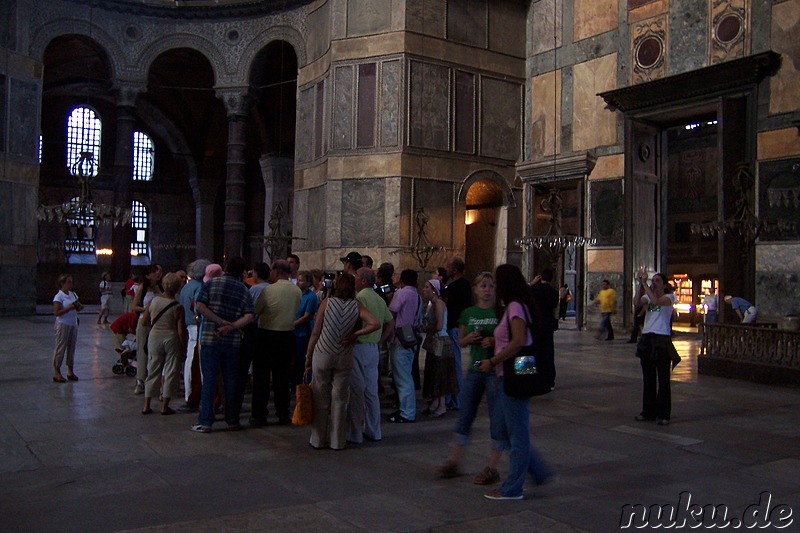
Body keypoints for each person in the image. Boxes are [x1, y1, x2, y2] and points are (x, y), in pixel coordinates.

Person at [478, 264, 554, 500]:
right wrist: (494, 341)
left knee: (517, 433)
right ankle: (539, 472)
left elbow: (519, 341)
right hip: (516, 368)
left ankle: (513, 488)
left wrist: (493, 360)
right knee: (513, 429)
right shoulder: (518, 305)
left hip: (513, 370)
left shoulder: (515, 307)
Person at [437, 271, 502, 484]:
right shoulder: (468, 313)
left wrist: (493, 341)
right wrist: (470, 339)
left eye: (491, 286)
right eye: (483, 286)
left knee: (496, 417)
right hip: (475, 367)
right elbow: (462, 341)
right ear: (475, 289)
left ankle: (493, 465)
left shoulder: (499, 313)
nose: (487, 290)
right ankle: (454, 460)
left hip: (494, 369)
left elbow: (507, 339)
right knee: (465, 414)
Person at [305, 273, 380, 450]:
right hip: (344, 355)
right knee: (339, 399)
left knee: (320, 396)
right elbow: (375, 323)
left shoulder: (326, 303)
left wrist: (308, 356)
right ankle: (337, 441)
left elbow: (316, 331)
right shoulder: (356, 305)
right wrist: (355, 334)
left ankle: (318, 439)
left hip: (323, 352)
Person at [192, 256, 254, 433]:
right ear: (242, 272)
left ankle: (205, 422)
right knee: (231, 381)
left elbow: (200, 306)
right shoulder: (243, 289)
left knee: (210, 380)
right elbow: (249, 315)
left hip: (210, 338)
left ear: (226, 267)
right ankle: (232, 420)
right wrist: (232, 326)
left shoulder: (211, 284)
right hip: (232, 341)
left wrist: (219, 321)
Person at [251, 259, 301, 426]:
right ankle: (283, 413)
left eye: (272, 271)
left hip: (266, 335)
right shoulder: (296, 291)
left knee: (262, 378)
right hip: (287, 336)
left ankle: (259, 414)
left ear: (277, 272)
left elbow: (256, 310)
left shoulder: (268, 290)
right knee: (282, 378)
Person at [347, 267, 394, 444]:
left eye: (357, 276)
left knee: (357, 390)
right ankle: (375, 431)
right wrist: (381, 340)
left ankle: (355, 433)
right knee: (371, 392)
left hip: (358, 347)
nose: (354, 279)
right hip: (373, 348)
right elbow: (390, 322)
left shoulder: (360, 298)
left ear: (364, 281)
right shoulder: (378, 298)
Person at [634, 271, 680, 426]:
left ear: (665, 285)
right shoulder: (648, 296)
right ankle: (648, 411)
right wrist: (640, 284)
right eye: (653, 280)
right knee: (648, 378)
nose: (654, 283)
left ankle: (664, 413)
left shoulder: (669, 298)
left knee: (663, 378)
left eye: (657, 281)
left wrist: (645, 284)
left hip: (661, 339)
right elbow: (637, 302)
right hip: (647, 338)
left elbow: (656, 301)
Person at [141, 273, 186, 416]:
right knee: (171, 371)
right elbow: (180, 330)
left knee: (152, 369)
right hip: (171, 338)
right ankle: (165, 406)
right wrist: (183, 346)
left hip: (154, 337)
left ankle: (146, 405)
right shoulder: (178, 306)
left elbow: (144, 322)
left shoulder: (153, 301)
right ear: (178, 287)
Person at [387, 269, 423, 423]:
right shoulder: (417, 295)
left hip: (400, 339)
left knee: (403, 378)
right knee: (406, 375)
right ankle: (406, 408)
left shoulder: (401, 293)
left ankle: (407, 412)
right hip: (411, 337)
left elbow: (391, 313)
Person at [421, 279, 459, 418]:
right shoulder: (433, 304)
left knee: (440, 373)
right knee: (433, 372)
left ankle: (441, 404)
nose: (423, 289)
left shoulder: (438, 304)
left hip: (440, 341)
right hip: (436, 341)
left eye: (426, 287)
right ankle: (436, 402)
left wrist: (426, 328)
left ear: (434, 290)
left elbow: (439, 325)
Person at [177, 259, 209, 408]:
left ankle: (189, 393)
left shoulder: (186, 287)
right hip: (197, 326)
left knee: (191, 359)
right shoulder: (200, 287)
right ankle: (198, 393)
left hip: (188, 325)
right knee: (199, 362)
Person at [443, 256, 471, 410]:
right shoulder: (464, 284)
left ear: (454, 270)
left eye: (448, 267)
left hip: (454, 327)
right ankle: (451, 398)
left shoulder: (455, 287)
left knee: (455, 365)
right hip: (456, 326)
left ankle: (458, 399)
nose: (446, 270)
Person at [132, 265, 163, 395]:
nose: (157, 274)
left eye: (158, 271)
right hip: (144, 322)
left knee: (156, 352)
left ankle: (155, 380)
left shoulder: (161, 287)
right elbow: (134, 307)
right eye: (154, 272)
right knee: (142, 351)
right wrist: (148, 309)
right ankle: (140, 380)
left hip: (158, 323)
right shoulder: (142, 288)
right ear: (147, 275)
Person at [530, 269, 558, 389]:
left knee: (535, 351)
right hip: (547, 325)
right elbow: (554, 305)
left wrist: (532, 283)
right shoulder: (554, 292)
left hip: (535, 324)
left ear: (540, 277)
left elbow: (524, 293)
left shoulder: (534, 289)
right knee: (548, 352)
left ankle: (534, 379)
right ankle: (550, 381)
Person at [52, 273, 83, 383]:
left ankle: (70, 370)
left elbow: (77, 305)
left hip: (73, 323)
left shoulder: (72, 294)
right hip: (63, 324)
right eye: (68, 282)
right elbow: (57, 313)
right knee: (61, 347)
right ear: (62, 284)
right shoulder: (59, 296)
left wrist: (78, 307)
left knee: (71, 347)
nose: (71, 284)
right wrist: (69, 308)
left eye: (71, 282)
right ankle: (57, 372)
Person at [292, 270, 319, 389]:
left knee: (301, 358)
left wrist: (292, 324)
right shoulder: (296, 294)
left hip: (303, 331)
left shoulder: (311, 297)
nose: (299, 282)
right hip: (294, 330)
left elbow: (307, 316)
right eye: (298, 280)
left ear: (308, 282)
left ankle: (303, 383)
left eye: (301, 280)